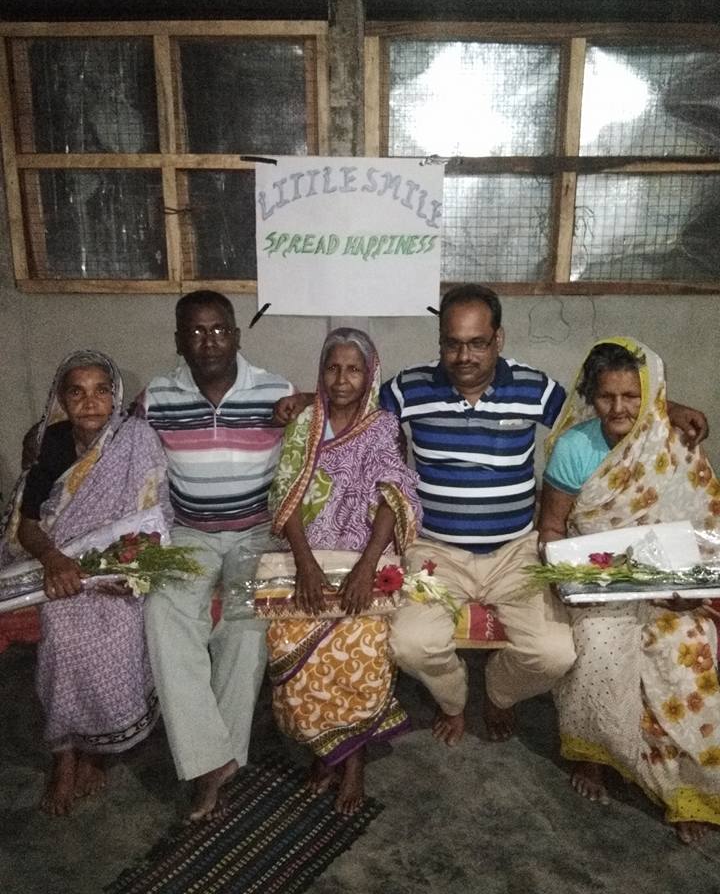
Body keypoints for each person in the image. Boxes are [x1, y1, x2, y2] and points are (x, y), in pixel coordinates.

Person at [276, 284, 708, 745]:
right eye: (453, 343)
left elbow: (598, 407)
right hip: (433, 551)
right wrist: (305, 400)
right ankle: (454, 698)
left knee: (554, 653)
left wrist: (666, 406)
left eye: (477, 343)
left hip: (515, 550)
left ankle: (500, 693)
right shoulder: (410, 388)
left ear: (497, 339)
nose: (464, 356)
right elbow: (352, 399)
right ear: (440, 341)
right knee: (409, 645)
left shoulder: (532, 387)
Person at [538, 338, 720, 844]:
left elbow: (704, 530)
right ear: (591, 397)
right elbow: (551, 530)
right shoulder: (576, 448)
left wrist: (689, 589)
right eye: (606, 397)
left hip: (671, 592)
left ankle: (685, 788)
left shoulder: (674, 442)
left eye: (631, 397)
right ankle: (595, 756)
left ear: (653, 395)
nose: (618, 409)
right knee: (597, 654)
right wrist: (572, 580)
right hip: (601, 585)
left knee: (688, 655)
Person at [139, 290, 293, 820]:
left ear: (237, 335)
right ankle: (212, 759)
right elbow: (119, 445)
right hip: (189, 535)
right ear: (179, 340)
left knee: (246, 624)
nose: (209, 342)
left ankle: (215, 766)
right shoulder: (157, 397)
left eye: (219, 330)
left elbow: (335, 415)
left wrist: (313, 401)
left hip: (256, 534)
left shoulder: (275, 390)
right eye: (196, 332)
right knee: (163, 612)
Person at [0, 350, 171, 816]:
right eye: (77, 392)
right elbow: (28, 524)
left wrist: (131, 573)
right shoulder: (49, 443)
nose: (90, 402)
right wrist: (55, 561)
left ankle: (95, 751)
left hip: (118, 574)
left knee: (116, 638)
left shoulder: (135, 441)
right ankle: (64, 757)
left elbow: (154, 515)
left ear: (115, 396)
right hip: (62, 572)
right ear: (62, 399)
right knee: (61, 647)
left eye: (101, 391)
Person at [267, 328, 421, 814]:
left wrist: (365, 569)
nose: (342, 379)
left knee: (363, 642)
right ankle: (324, 747)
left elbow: (391, 495)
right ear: (321, 371)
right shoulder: (305, 423)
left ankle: (351, 761)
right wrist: (306, 566)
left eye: (354, 369)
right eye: (333, 368)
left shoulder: (382, 426)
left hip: (363, 557)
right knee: (287, 642)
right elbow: (285, 495)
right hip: (305, 555)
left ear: (370, 373)